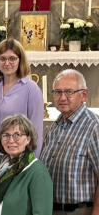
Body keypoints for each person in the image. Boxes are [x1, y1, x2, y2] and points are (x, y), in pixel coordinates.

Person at [0, 38, 44, 198]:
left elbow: (36, 130)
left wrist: (30, 164)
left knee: (16, 205)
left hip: (18, 159)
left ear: (20, 60)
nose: (7, 63)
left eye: (12, 58)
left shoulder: (31, 89)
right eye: (2, 58)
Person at [40, 69, 99, 215]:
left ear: (83, 95)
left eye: (69, 92)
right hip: (51, 208)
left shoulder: (94, 128)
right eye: (57, 92)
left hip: (80, 210)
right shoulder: (55, 126)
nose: (62, 97)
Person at [0, 114, 52, 215]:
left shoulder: (37, 172)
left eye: (17, 135)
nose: (11, 140)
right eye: (6, 135)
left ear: (28, 139)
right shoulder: (2, 169)